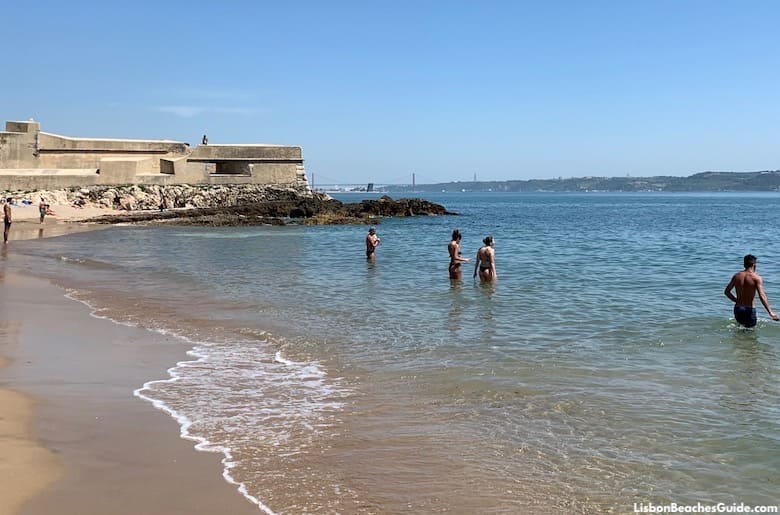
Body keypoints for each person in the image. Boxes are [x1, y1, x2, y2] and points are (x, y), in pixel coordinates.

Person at [724, 254, 780, 328]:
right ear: (754, 264)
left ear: (744, 264)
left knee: (740, 329)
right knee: (750, 333)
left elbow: (727, 292)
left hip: (738, 308)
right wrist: (771, 312)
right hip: (749, 309)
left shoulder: (737, 276)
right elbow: (762, 296)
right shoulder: (756, 278)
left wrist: (736, 300)